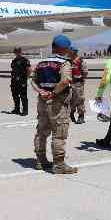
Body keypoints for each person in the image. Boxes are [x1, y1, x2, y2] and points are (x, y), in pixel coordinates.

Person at [30, 35, 77, 174]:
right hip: (57, 102)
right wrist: (53, 93)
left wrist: (42, 91)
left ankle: (40, 160)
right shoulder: (64, 63)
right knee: (59, 133)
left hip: (42, 101)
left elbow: (32, 81)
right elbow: (64, 81)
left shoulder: (41, 63)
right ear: (65, 48)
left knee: (41, 132)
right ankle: (59, 164)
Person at [68, 45, 88, 124]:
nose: (68, 53)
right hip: (69, 83)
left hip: (78, 83)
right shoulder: (68, 62)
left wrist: (81, 78)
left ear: (74, 52)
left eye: (69, 51)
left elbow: (85, 72)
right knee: (69, 99)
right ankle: (71, 114)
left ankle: (81, 116)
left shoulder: (80, 61)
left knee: (79, 99)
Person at [9, 47, 31, 116]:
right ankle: (17, 109)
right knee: (15, 95)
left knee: (23, 96)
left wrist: (26, 78)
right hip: (14, 81)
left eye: (18, 51)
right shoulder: (14, 61)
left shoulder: (24, 60)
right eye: (15, 51)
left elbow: (29, 70)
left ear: (20, 52)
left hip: (22, 81)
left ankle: (25, 111)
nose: (17, 53)